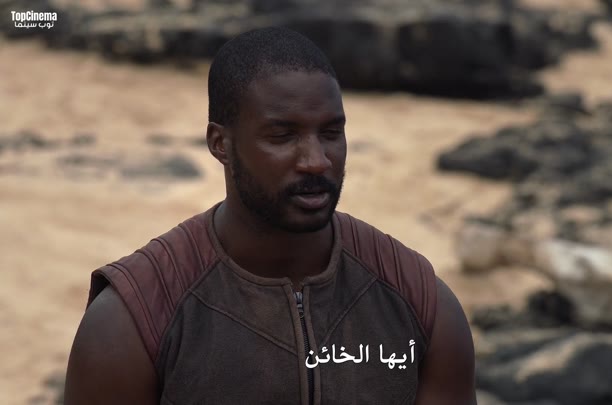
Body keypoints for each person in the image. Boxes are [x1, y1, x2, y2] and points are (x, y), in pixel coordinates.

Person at [64, 27, 476, 405]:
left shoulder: (418, 300)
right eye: (282, 136)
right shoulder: (135, 319)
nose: (317, 160)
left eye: (331, 133)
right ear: (221, 144)